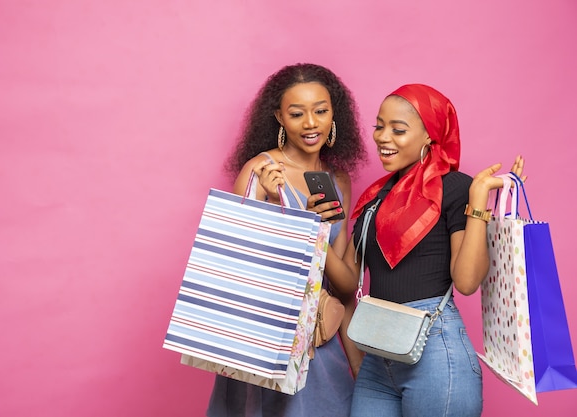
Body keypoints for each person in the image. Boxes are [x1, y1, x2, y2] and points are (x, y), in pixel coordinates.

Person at [323, 84, 526, 417]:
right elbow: (346, 283)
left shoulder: (455, 187)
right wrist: (315, 231)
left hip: (435, 349)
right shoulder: (375, 199)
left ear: (429, 137)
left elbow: (466, 281)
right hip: (378, 350)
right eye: (379, 126)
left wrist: (478, 201)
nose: (382, 137)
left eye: (398, 130)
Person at [206, 63, 367, 417]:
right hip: (268, 340)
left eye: (321, 111)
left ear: (333, 114)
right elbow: (239, 263)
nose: (311, 123)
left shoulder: (338, 180)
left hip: (320, 338)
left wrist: (315, 233)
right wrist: (289, 216)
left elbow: (345, 285)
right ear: (279, 116)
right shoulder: (262, 172)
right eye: (297, 113)